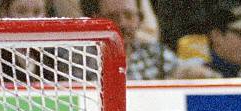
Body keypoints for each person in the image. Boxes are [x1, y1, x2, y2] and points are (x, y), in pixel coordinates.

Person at [84, 0, 219, 79]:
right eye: (113, 17)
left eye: (129, 16)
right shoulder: (78, 58)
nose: (122, 24)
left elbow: (181, 71)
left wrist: (197, 73)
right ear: (97, 19)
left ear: (139, 19)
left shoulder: (155, 54)